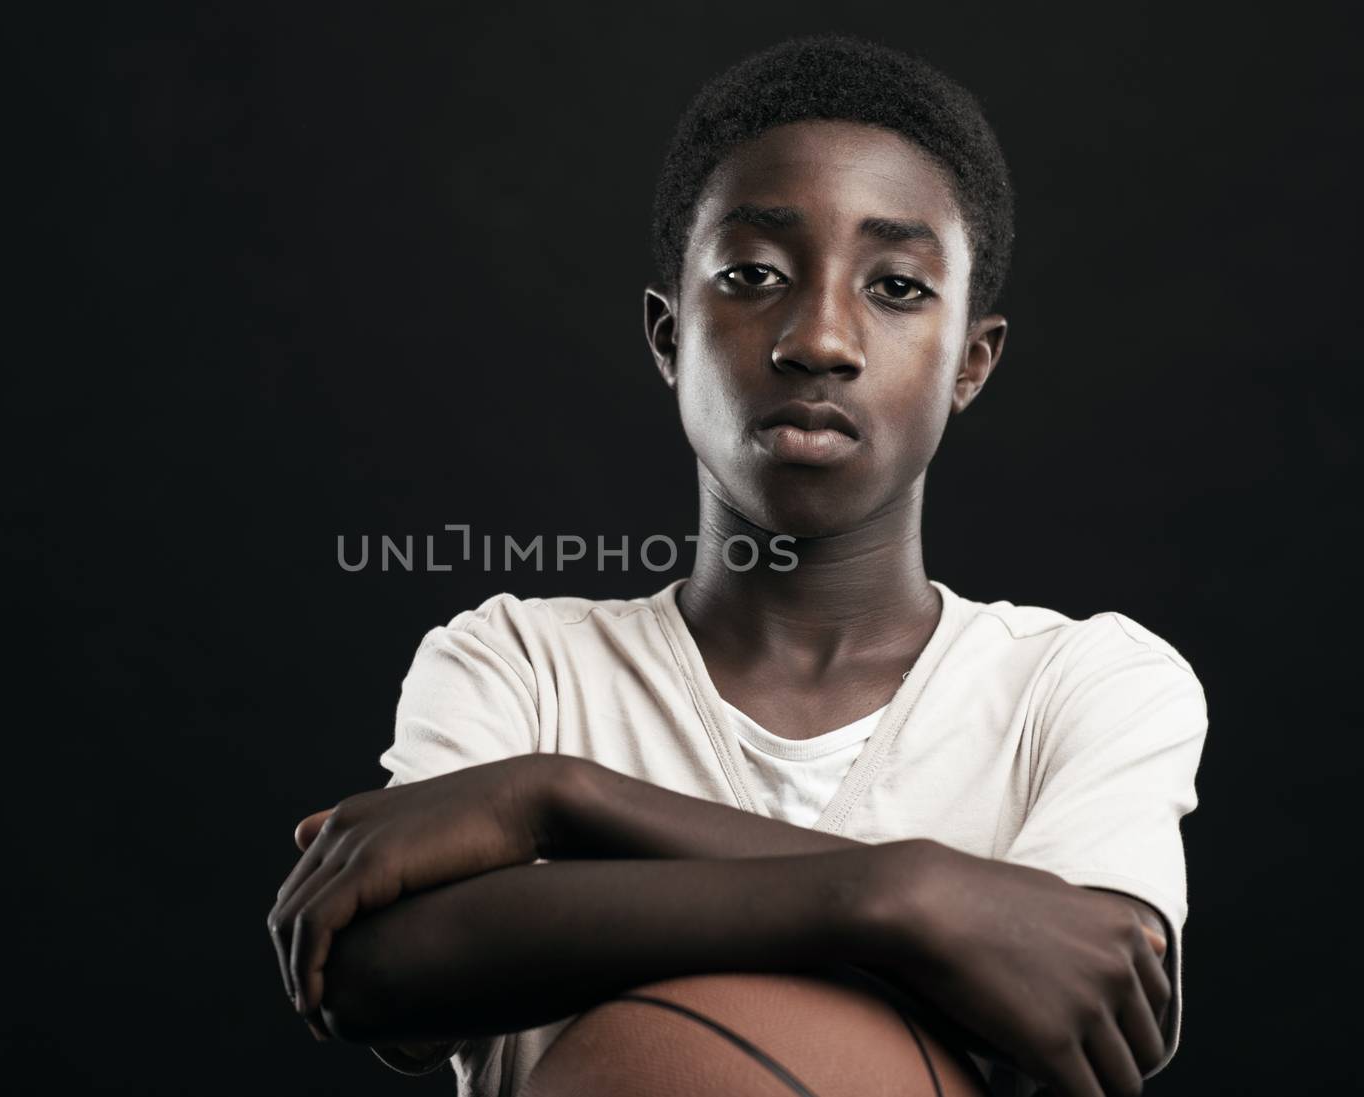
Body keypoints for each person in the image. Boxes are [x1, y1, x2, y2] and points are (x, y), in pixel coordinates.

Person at [268, 34, 1208, 1097]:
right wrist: (902, 899)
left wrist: (560, 800)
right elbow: (374, 968)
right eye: (754, 274)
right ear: (669, 335)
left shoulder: (1085, 683)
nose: (819, 337)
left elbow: (1085, 983)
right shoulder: (519, 660)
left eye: (896, 287)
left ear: (971, 363)